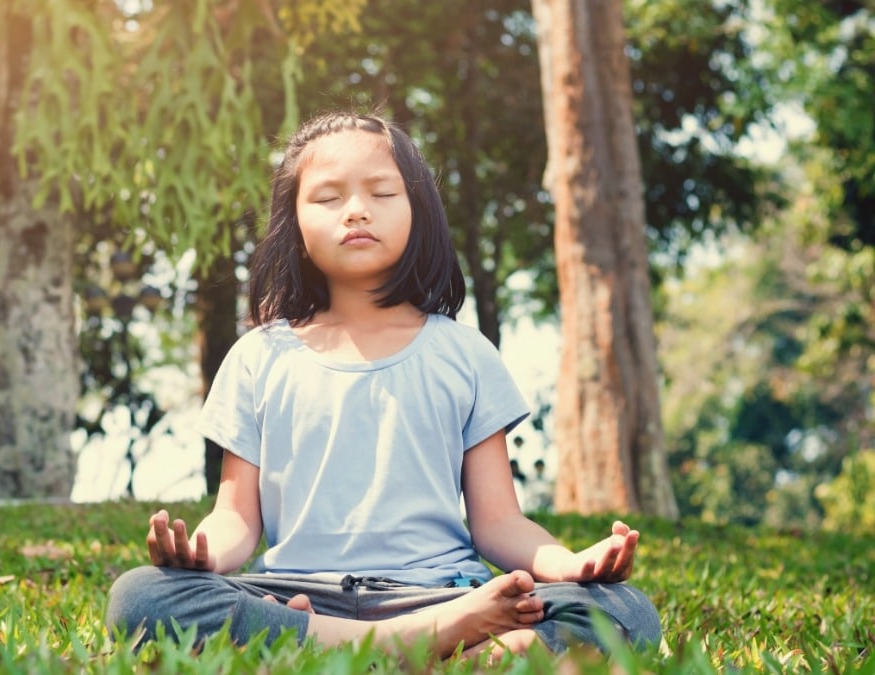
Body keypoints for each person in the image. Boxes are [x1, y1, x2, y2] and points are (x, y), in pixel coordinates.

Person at [106, 111, 662, 662]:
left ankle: (326, 653)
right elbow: (237, 517)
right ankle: (440, 651)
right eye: (327, 198)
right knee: (142, 595)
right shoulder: (259, 355)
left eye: (381, 192)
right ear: (294, 224)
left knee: (624, 607)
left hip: (443, 594)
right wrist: (202, 557)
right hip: (302, 596)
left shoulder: (464, 353)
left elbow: (499, 521)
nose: (356, 211)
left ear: (419, 213)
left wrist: (568, 566)